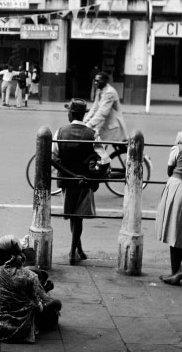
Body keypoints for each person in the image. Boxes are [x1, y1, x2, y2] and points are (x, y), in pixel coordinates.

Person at [52, 99, 110, 265]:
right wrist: (95, 179)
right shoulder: (92, 133)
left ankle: (74, 250)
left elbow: (52, 157)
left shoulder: (60, 132)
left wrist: (68, 173)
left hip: (67, 181)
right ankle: (75, 250)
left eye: (68, 111)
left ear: (71, 113)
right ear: (83, 115)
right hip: (84, 181)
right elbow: (105, 160)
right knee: (78, 218)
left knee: (73, 216)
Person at [0, 235, 62, 343]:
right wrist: (55, 302)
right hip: (17, 328)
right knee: (56, 304)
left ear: (9, 256)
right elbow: (39, 308)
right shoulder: (30, 276)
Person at [155, 129, 182, 286]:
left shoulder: (179, 149)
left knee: (173, 230)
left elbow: (169, 170)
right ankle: (181, 268)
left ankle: (175, 271)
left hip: (178, 187)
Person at [84, 71, 128, 142]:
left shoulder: (110, 93)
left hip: (111, 127)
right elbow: (94, 108)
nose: (96, 83)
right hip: (103, 125)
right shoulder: (99, 90)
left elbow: (102, 113)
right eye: (95, 81)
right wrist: (84, 121)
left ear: (105, 81)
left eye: (98, 81)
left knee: (97, 147)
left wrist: (89, 124)